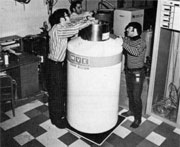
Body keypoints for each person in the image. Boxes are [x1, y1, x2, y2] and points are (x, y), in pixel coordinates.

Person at [46, 8, 93, 129]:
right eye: (66, 17)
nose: (68, 18)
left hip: (57, 65)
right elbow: (74, 28)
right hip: (54, 65)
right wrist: (89, 22)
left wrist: (85, 19)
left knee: (60, 91)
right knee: (56, 94)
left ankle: (60, 115)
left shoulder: (60, 27)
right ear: (60, 19)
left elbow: (73, 24)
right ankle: (56, 120)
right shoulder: (58, 29)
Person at [121, 22, 146, 128]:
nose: (127, 30)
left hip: (138, 73)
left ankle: (138, 119)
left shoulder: (142, 42)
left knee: (136, 97)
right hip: (129, 72)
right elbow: (122, 42)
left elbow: (135, 52)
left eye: (129, 29)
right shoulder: (127, 39)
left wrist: (122, 43)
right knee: (130, 94)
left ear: (135, 30)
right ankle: (131, 111)